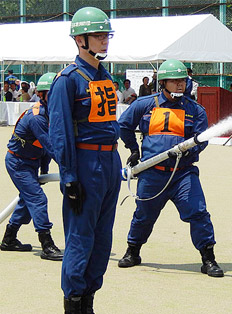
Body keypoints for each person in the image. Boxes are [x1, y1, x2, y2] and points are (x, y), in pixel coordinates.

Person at [117, 59, 224, 278]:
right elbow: (124, 126)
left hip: (183, 174)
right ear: (163, 82)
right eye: (174, 81)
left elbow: (201, 140)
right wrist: (134, 150)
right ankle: (133, 252)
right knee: (143, 215)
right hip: (151, 174)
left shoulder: (195, 110)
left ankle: (208, 259)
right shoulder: (145, 104)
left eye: (182, 80)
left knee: (198, 212)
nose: (179, 85)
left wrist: (190, 152)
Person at [47, 7, 122, 313]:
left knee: (103, 239)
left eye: (106, 35)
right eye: (98, 36)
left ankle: (89, 300)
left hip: (110, 162)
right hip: (86, 164)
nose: (104, 41)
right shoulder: (68, 80)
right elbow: (60, 132)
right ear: (80, 39)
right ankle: (74, 302)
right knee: (80, 237)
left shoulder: (105, 75)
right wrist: (68, 175)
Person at [2, 72, 63, 262]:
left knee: (27, 200)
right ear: (44, 95)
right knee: (37, 199)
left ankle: (9, 239)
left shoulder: (51, 112)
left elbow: (45, 150)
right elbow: (50, 146)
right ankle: (46, 244)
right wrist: (68, 166)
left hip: (31, 162)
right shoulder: (37, 117)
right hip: (18, 163)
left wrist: (44, 171)